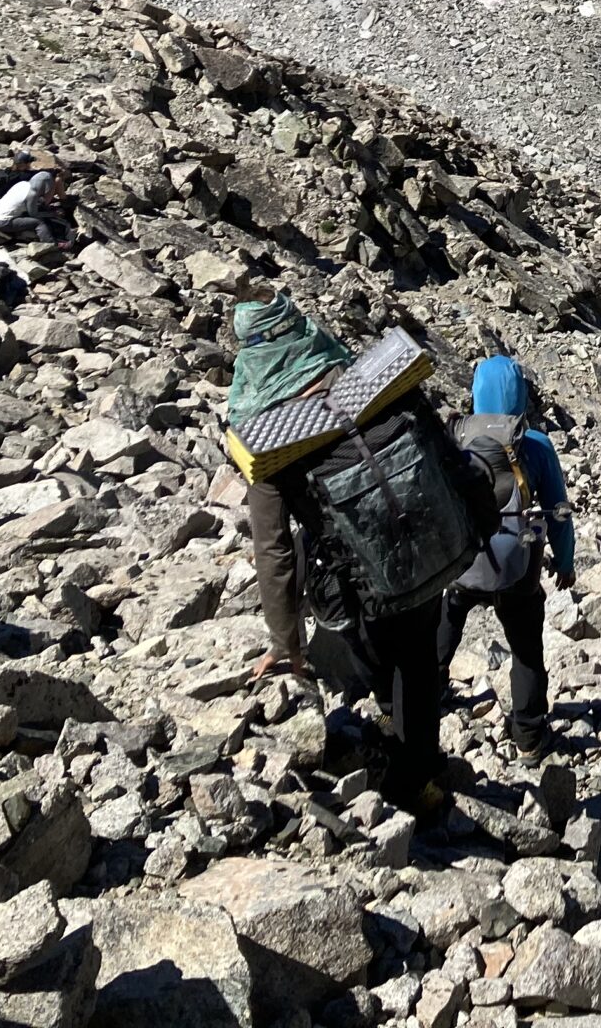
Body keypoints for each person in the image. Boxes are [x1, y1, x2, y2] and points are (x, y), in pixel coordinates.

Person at [234, 296, 455, 815]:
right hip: (420, 539)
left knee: (379, 650)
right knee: (419, 661)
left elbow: (273, 546)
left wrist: (287, 642)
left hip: (350, 576)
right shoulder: (361, 377)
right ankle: (417, 773)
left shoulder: (260, 438)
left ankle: (400, 760)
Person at [438, 355, 576, 757]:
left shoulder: (455, 438)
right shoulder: (535, 445)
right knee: (525, 647)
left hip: (464, 558)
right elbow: (559, 512)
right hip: (520, 562)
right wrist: (564, 563)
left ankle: (426, 698)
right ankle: (530, 737)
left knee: (448, 617)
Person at [0, 166, 74, 246]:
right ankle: (50, 244)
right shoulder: (32, 195)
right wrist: (52, 214)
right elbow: (34, 214)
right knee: (39, 222)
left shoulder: (22, 184)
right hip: (2, 222)